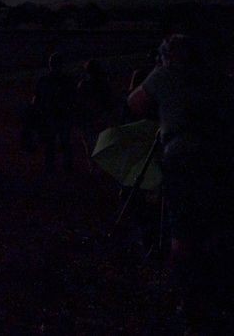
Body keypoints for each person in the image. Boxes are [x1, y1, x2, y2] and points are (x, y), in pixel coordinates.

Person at [128, 35, 234, 332]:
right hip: (221, 157)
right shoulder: (216, 76)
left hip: (183, 159)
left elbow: (134, 104)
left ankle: (190, 304)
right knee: (216, 223)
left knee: (183, 231)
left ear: (168, 56)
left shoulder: (165, 74)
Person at [31, 52, 77, 173]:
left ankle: (51, 166)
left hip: (50, 116)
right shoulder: (67, 80)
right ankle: (66, 166)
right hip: (60, 115)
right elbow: (74, 98)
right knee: (64, 141)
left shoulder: (44, 80)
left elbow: (36, 99)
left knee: (51, 142)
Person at [76, 59, 114, 145]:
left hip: (91, 119)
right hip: (100, 117)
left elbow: (79, 104)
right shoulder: (103, 84)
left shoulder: (84, 85)